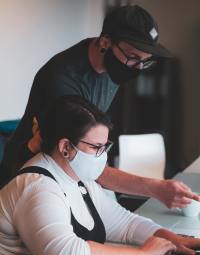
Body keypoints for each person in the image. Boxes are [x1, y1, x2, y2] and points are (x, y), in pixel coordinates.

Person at [1, 5, 199, 208]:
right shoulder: (63, 81)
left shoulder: (112, 67)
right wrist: (156, 188)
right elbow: (85, 164)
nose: (137, 68)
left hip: (66, 173)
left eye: (144, 62)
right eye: (133, 57)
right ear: (105, 42)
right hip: (26, 175)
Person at [0, 96, 200, 255]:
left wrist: (171, 239)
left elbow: (124, 224)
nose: (103, 155)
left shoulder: (79, 177)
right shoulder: (37, 186)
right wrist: (144, 254)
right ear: (65, 147)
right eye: (96, 147)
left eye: (105, 146)